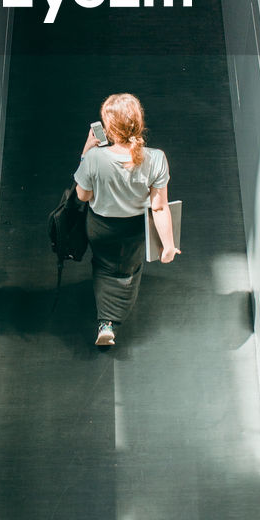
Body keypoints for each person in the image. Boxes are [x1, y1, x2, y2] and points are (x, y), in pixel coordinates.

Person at [73, 92, 179, 347]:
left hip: (101, 226)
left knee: (103, 266)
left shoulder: (95, 159)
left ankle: (105, 322)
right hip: (133, 228)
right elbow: (160, 207)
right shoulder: (155, 158)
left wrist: (86, 153)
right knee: (128, 268)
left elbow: (83, 195)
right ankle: (110, 317)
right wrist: (167, 245)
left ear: (108, 128)